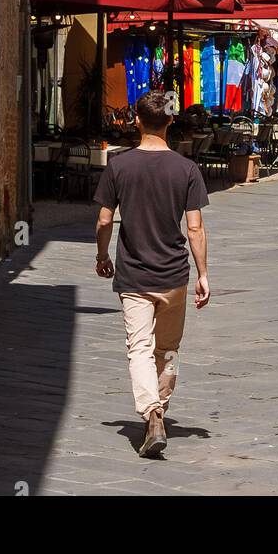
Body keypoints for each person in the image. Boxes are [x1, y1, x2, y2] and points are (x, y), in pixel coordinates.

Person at [94, 90, 210, 458]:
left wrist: (101, 254)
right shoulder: (186, 169)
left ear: (138, 122)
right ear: (171, 121)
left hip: (134, 274)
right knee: (168, 348)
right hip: (174, 275)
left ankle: (152, 412)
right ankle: (159, 406)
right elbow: (195, 229)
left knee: (139, 348)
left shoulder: (118, 166)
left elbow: (103, 219)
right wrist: (203, 274)